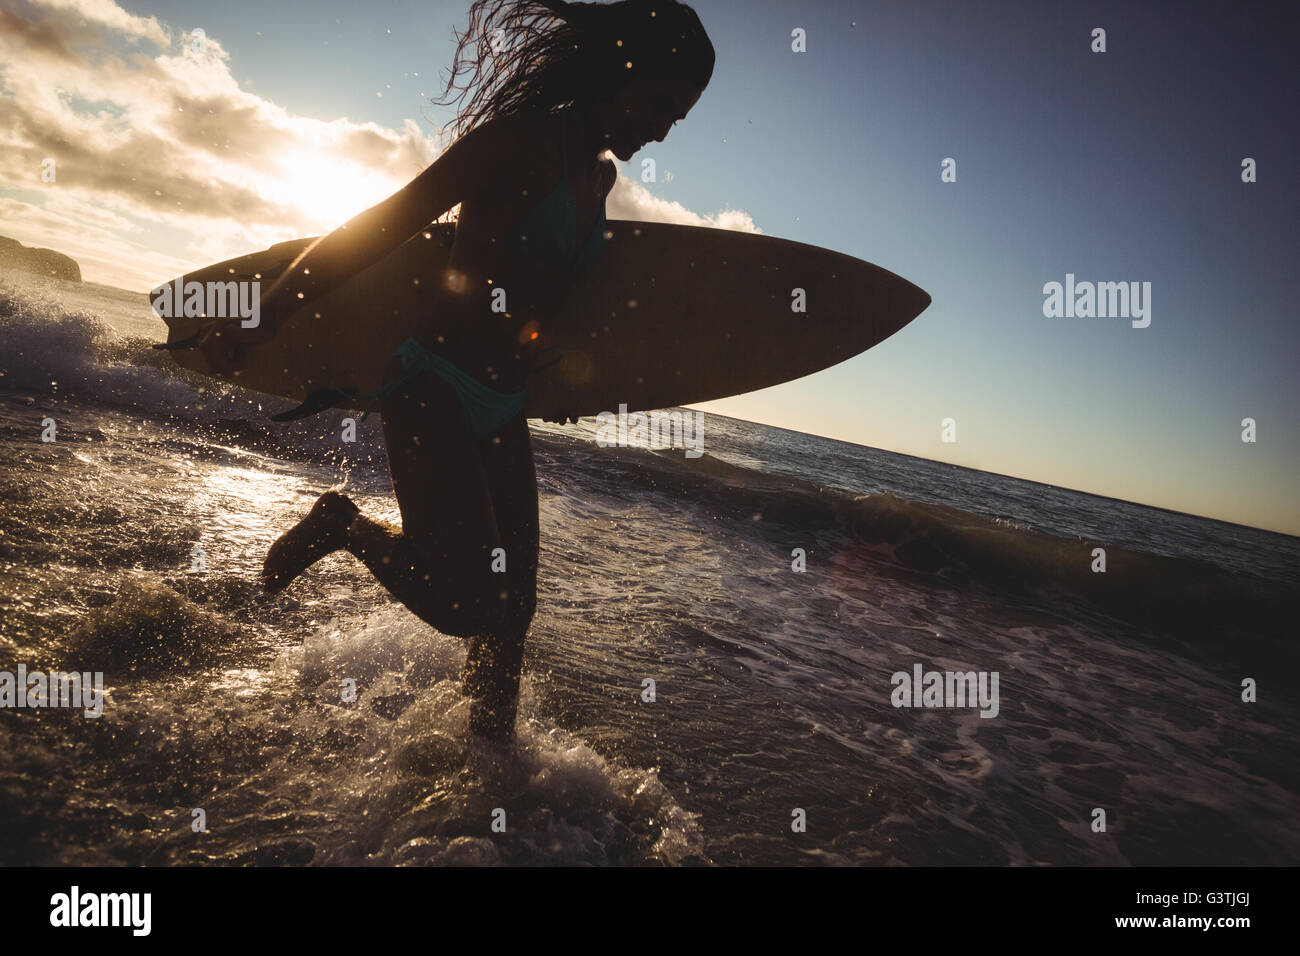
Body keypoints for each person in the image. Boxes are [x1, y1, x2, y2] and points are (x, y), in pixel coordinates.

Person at [195, 0, 714, 742]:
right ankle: (343, 526)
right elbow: (380, 225)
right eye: (661, 104)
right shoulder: (515, 142)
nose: (663, 129)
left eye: (679, 118)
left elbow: (551, 305)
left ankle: (487, 775)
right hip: (432, 382)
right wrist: (265, 317)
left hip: (504, 402)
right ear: (620, 69)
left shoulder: (598, 178)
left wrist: (567, 384)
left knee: (512, 618)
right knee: (467, 602)